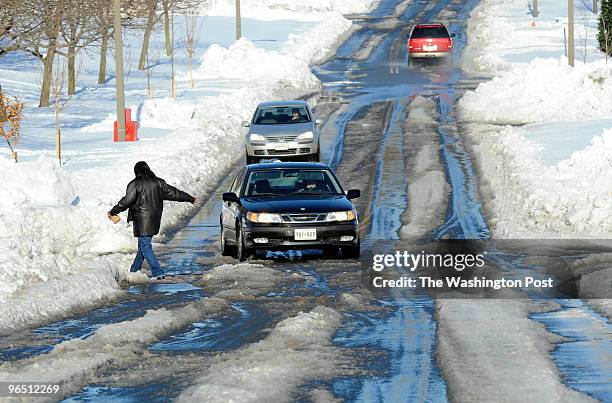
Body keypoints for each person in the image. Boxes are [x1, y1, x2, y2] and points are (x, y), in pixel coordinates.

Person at [108, 161, 196, 280]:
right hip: (154, 218)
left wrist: (114, 211)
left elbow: (127, 200)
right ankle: (134, 270)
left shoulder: (135, 184)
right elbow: (174, 193)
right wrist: (189, 198)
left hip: (141, 219)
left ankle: (158, 272)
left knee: (145, 246)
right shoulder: (159, 183)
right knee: (142, 246)